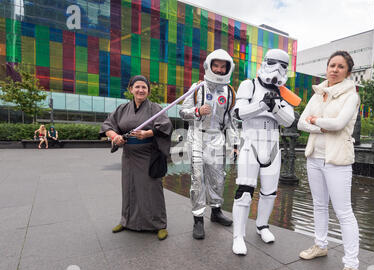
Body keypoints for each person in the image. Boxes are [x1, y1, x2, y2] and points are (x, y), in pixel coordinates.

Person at [297, 51, 361, 270]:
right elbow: (300, 122)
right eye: (331, 65)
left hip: (338, 160)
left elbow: (338, 124)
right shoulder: (319, 94)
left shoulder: (351, 95)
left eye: (340, 66)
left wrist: (315, 122)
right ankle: (320, 245)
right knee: (318, 204)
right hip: (314, 157)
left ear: (348, 72)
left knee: (344, 212)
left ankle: (352, 266)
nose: (334, 69)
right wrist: (317, 126)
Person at [231, 49, 295, 255]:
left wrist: (275, 108)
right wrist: (261, 105)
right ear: (265, 62)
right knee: (244, 192)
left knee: (269, 192)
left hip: (273, 145)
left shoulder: (284, 92)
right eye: (273, 63)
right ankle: (238, 235)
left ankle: (262, 226)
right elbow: (239, 112)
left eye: (283, 66)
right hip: (251, 143)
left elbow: (289, 120)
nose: (277, 69)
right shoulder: (249, 84)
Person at [100, 75, 173, 240]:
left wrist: (147, 133)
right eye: (137, 87)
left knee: (152, 190)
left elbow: (166, 126)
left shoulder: (155, 109)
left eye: (144, 87)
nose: (141, 90)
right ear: (130, 89)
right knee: (129, 188)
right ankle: (126, 221)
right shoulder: (122, 109)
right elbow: (107, 125)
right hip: (129, 156)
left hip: (148, 156)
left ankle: (159, 224)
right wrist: (114, 136)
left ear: (148, 90)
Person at [179, 49, 239, 240]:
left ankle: (216, 211)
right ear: (209, 66)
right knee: (198, 178)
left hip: (217, 138)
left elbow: (231, 121)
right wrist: (197, 111)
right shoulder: (197, 88)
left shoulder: (229, 92)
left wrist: (235, 143)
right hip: (197, 135)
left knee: (218, 178)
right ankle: (198, 219)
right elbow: (182, 111)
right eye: (216, 66)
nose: (220, 70)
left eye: (223, 67)